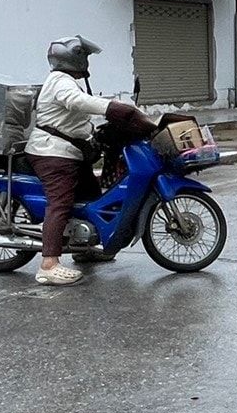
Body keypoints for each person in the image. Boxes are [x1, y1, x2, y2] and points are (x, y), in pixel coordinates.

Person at [25, 35, 156, 286]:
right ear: (73, 58)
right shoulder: (60, 81)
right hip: (52, 153)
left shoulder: (67, 81)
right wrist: (112, 107)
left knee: (92, 198)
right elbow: (76, 102)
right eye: (84, 56)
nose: (86, 61)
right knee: (61, 202)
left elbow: (77, 110)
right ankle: (48, 264)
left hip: (70, 151)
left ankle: (83, 249)